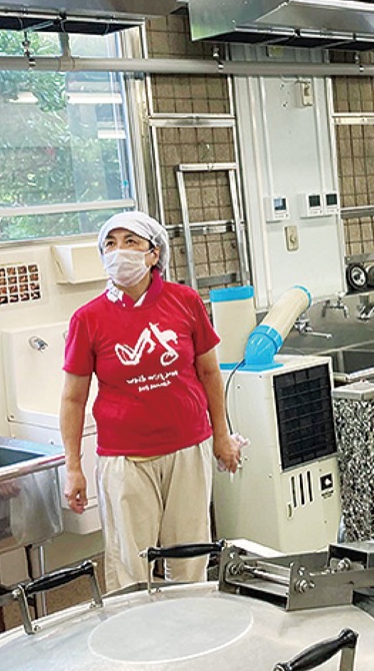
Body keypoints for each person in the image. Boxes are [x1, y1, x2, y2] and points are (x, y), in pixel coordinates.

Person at [60, 210, 240, 588]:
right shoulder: (88, 319)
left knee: (190, 561)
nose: (119, 251)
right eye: (110, 244)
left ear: (153, 253)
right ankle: (135, 629)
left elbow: (210, 373)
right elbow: (73, 400)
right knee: (130, 567)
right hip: (125, 458)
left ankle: (191, 623)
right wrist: (73, 466)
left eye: (130, 242)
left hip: (188, 448)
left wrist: (222, 436)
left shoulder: (185, 301)